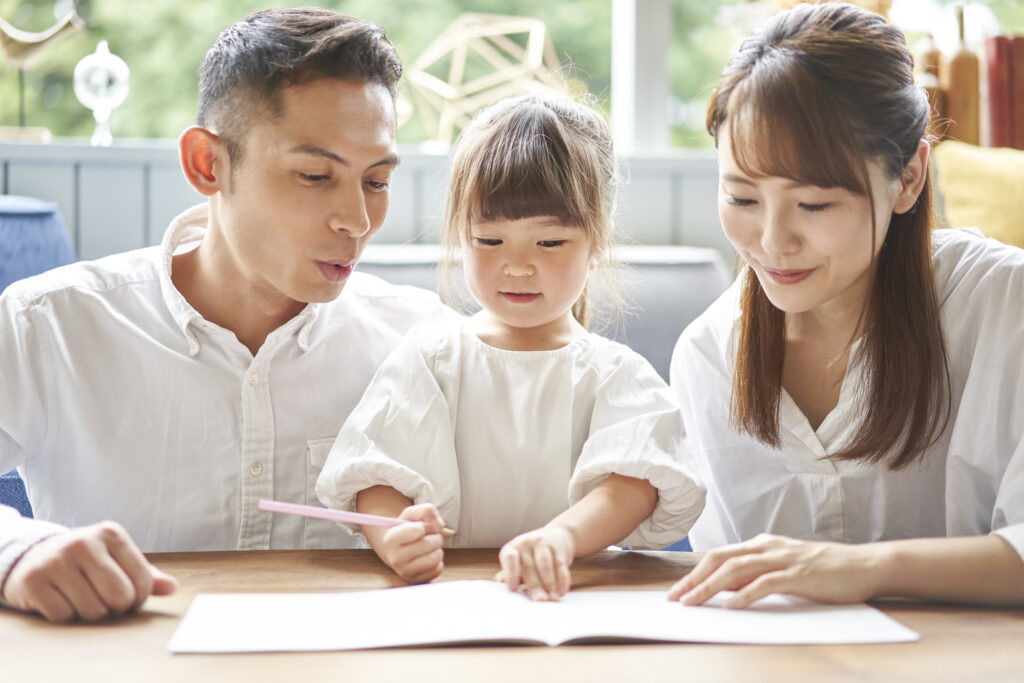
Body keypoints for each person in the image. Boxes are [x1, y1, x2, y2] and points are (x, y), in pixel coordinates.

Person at [0, 7, 454, 623]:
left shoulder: (420, 338)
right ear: (207, 165)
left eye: (375, 181)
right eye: (316, 175)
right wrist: (18, 553)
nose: (358, 220)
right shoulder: (48, 324)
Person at [667, 2, 1024, 608]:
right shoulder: (708, 355)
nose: (774, 241)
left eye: (814, 205)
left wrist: (865, 568)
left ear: (909, 177)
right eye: (742, 197)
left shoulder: (1002, 307)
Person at [316, 94, 705, 601]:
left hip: (575, 594)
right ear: (461, 237)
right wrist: (396, 536)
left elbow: (634, 484)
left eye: (549, 243)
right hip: (450, 595)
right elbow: (378, 471)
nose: (517, 267)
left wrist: (561, 539)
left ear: (597, 245)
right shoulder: (432, 358)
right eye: (489, 241)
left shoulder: (614, 374)